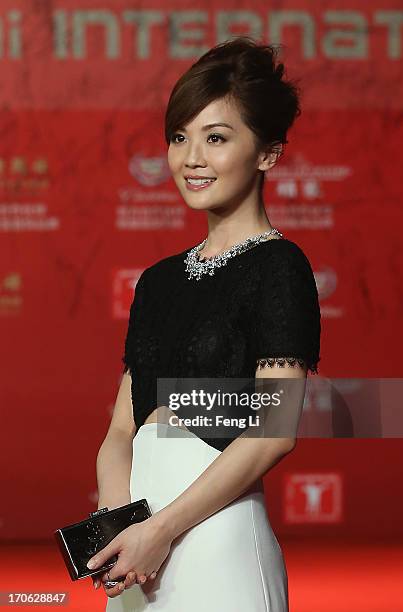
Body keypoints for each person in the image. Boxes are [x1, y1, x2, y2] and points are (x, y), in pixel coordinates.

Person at [87, 36, 321, 611]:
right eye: (179, 136)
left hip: (217, 544)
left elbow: (273, 430)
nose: (191, 157)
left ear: (267, 152)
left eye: (216, 138)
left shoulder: (279, 268)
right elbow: (123, 430)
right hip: (135, 555)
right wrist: (123, 524)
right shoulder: (158, 281)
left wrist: (161, 529)